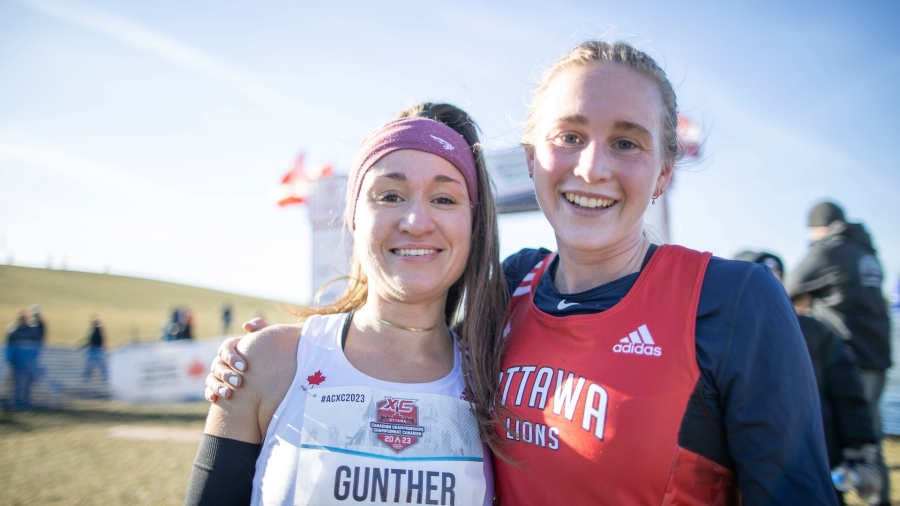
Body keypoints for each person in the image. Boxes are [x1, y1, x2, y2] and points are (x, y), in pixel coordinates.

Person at [205, 40, 834, 504]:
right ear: (532, 158)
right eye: (569, 136)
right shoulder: (508, 292)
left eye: (627, 142)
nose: (591, 168)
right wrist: (263, 359)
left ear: (665, 170)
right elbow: (397, 327)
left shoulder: (733, 301)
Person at [184, 103, 506, 505]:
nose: (416, 221)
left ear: (473, 225)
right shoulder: (266, 362)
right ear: (354, 216)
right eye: (390, 195)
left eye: (444, 199)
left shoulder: (497, 384)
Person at [737, 251, 881, 505]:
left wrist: (859, 451)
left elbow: (848, 395)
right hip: (749, 467)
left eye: (773, 280)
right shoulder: (715, 335)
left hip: (815, 464)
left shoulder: (819, 333)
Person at [785, 200, 892, 506]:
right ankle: (879, 496)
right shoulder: (867, 253)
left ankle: (841, 491)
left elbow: (787, 287)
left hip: (845, 354)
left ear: (818, 228)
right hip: (878, 356)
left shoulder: (828, 250)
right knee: (869, 434)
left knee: (841, 429)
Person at [5, 309, 41, 407]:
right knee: (16, 382)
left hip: (29, 361)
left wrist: (34, 358)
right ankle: (16, 400)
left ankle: (26, 400)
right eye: (20, 319)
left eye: (23, 319)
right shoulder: (13, 331)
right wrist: (10, 359)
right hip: (17, 361)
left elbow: (37, 344)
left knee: (28, 382)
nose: (22, 321)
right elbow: (9, 347)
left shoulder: (32, 331)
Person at [83, 316, 107, 381]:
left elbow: (92, 341)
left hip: (95, 349)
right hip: (96, 349)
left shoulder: (96, 331)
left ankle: (87, 374)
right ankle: (88, 374)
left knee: (93, 362)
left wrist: (85, 345)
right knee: (97, 363)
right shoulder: (98, 331)